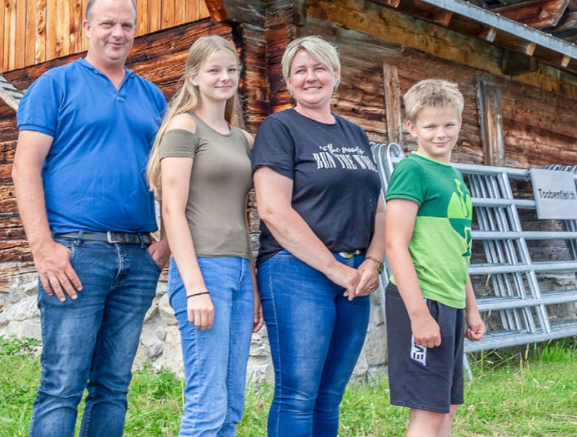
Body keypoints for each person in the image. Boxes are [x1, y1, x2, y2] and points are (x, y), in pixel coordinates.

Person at [12, 0, 170, 437]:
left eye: (125, 25)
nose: (116, 33)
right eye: (107, 23)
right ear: (86, 28)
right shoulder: (55, 85)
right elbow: (25, 166)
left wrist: (166, 243)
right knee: (62, 385)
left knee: (114, 386)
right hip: (75, 255)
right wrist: (44, 249)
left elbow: (171, 176)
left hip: (138, 258)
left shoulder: (152, 97)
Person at [251, 36, 385, 436]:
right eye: (300, 71)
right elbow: (274, 210)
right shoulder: (279, 128)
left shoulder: (356, 133)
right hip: (296, 272)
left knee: (329, 396)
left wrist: (372, 263)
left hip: (355, 273)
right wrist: (334, 269)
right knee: (298, 394)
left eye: (319, 68)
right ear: (288, 83)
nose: (311, 78)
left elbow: (378, 207)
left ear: (336, 75)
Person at [146, 35, 264, 436]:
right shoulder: (183, 126)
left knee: (232, 404)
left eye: (231, 70)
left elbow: (243, 218)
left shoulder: (243, 139)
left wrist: (252, 284)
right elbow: (172, 211)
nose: (225, 77)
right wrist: (195, 287)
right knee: (207, 405)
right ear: (194, 76)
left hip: (237, 275)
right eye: (214, 70)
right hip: (202, 272)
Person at [384, 79, 486, 437]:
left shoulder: (455, 176)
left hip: (451, 301)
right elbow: (395, 244)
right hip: (423, 299)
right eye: (430, 126)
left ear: (460, 123)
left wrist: (470, 307)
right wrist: (419, 315)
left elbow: (459, 247)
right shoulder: (412, 170)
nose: (440, 134)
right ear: (411, 127)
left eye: (448, 124)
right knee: (427, 413)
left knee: (446, 408)